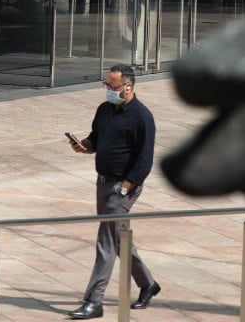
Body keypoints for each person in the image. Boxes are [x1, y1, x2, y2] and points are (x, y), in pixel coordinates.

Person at [66, 64, 161, 319]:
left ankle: (93, 301)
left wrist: (125, 188)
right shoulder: (104, 110)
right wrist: (83, 146)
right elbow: (96, 139)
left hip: (122, 187)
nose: (109, 90)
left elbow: (144, 160)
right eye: (107, 85)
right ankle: (148, 284)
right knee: (119, 238)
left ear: (128, 87)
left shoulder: (142, 116)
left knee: (105, 241)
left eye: (113, 86)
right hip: (103, 182)